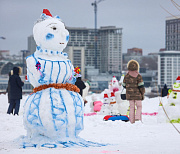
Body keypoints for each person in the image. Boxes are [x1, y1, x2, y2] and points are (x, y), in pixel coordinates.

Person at [122, 60, 145, 124]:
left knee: (132, 107)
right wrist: (143, 92)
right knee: (139, 106)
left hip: (129, 94)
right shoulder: (138, 76)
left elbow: (123, 85)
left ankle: (132, 121)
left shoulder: (126, 76)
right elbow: (141, 86)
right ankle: (137, 118)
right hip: (138, 94)